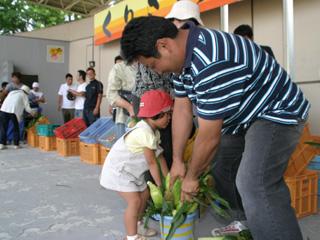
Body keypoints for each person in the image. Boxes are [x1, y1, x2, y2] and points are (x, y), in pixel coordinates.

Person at [120, 16, 310, 240]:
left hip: (275, 112)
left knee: (254, 183)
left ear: (164, 45)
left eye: (153, 65)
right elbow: (182, 107)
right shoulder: (182, 56)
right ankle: (247, 220)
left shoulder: (211, 60)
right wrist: (178, 161)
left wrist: (190, 179)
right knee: (221, 168)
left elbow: (209, 137)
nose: (158, 71)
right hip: (240, 116)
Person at [100, 90, 172, 240]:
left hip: (132, 172)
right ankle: (131, 237)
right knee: (135, 201)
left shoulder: (153, 131)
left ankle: (138, 225)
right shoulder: (144, 133)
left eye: (170, 114)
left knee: (144, 194)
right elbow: (152, 162)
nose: (169, 118)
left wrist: (169, 180)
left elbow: (160, 158)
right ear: (154, 114)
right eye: (166, 114)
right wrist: (160, 185)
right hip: (119, 171)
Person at [106, 55, 137, 137]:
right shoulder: (119, 68)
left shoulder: (148, 66)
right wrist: (129, 107)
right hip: (125, 117)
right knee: (126, 147)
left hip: (149, 118)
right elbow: (111, 94)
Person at [0, 85, 36, 150]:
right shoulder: (24, 95)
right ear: (27, 92)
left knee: (3, 128)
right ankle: (16, 145)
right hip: (13, 112)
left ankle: (2, 144)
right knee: (16, 128)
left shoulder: (12, 92)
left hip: (3, 110)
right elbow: (27, 108)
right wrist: (33, 113)